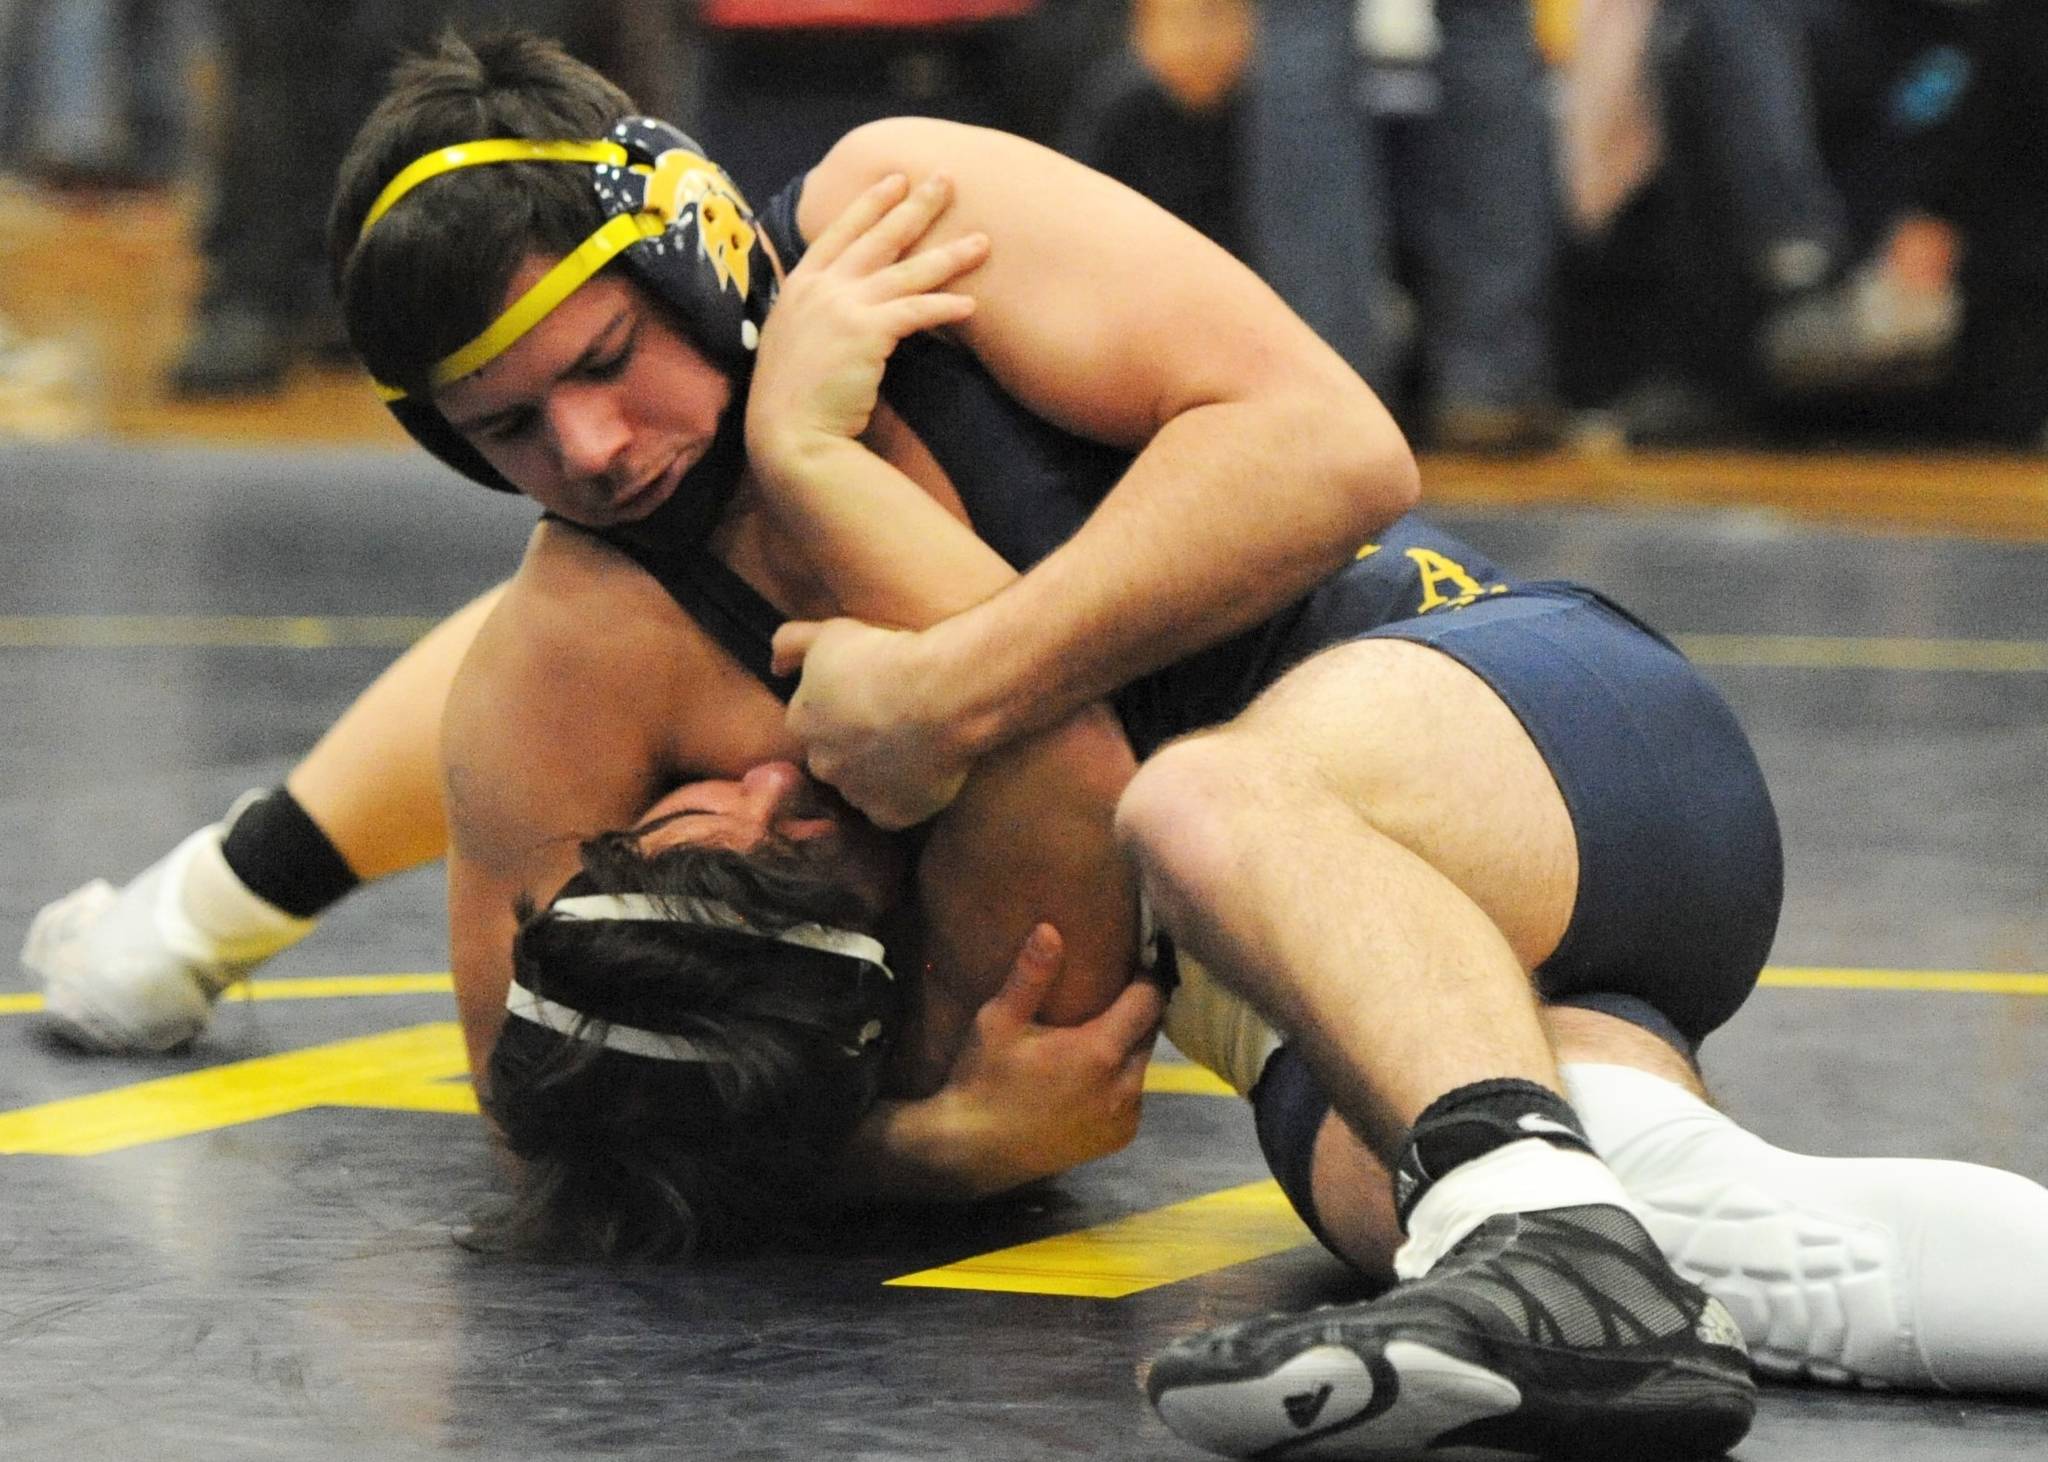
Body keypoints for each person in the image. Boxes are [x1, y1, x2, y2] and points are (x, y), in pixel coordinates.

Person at [17, 30, 2047, 1460]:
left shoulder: (911, 226)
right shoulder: (574, 637)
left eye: (603, 366)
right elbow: (548, 1092)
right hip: (1337, 977)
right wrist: (929, 1141)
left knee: (1204, 795)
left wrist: (879, 556)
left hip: (1520, 725)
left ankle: (1524, 1228)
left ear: (699, 244)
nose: (588, 450)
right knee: (1695, 1240)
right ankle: (1549, 1222)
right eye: (504, 433)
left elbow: (1341, 453)